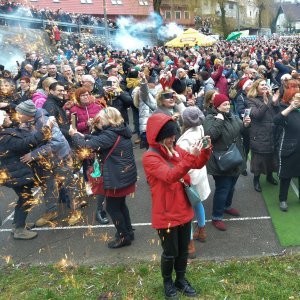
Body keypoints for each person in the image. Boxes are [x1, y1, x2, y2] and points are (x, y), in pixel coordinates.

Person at [142, 113, 212, 299]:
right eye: (170, 135)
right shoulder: (150, 157)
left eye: (174, 134)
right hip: (165, 213)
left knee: (183, 250)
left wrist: (204, 149)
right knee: (170, 252)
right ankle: (167, 282)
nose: (174, 138)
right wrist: (190, 158)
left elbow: (197, 163)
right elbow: (169, 176)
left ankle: (180, 279)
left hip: (183, 209)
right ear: (158, 135)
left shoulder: (175, 150)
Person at [70, 107, 137, 248]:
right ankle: (128, 231)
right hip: (124, 176)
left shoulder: (110, 135)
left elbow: (85, 147)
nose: (98, 121)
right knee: (121, 205)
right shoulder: (120, 129)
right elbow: (101, 140)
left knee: (112, 208)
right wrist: (86, 136)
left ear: (108, 119)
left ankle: (124, 237)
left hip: (116, 178)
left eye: (100, 119)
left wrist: (74, 135)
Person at [0, 110, 53, 239]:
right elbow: (25, 144)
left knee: (25, 197)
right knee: (26, 199)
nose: (8, 117)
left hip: (16, 171)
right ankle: (19, 229)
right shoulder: (4, 137)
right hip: (15, 173)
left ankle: (19, 224)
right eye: (5, 116)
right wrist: (46, 129)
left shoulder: (5, 133)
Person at [203, 94, 251, 231]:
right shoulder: (210, 118)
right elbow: (209, 136)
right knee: (222, 189)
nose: (228, 106)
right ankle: (217, 216)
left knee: (231, 187)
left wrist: (246, 125)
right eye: (224, 104)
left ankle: (226, 207)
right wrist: (219, 121)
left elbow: (241, 130)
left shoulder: (233, 116)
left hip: (236, 158)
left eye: (228, 104)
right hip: (221, 161)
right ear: (216, 106)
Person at [176, 107, 211, 258]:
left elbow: (184, 162)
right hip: (200, 172)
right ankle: (202, 231)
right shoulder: (200, 127)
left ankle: (189, 243)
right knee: (197, 203)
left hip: (189, 177)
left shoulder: (184, 140)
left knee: (186, 211)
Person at [247, 79, 280, 192]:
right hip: (259, 133)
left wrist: (275, 103)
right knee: (259, 159)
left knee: (271, 156)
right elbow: (257, 115)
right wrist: (266, 103)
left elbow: (278, 114)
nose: (265, 86)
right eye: (262, 85)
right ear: (256, 87)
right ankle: (256, 180)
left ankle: (269, 176)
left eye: (266, 84)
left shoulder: (271, 97)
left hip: (272, 132)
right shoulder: (251, 100)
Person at [273, 88, 300, 212]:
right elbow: (276, 121)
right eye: (296, 98)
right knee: (286, 176)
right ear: (290, 99)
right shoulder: (285, 109)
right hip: (289, 149)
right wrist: (290, 108)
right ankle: (283, 199)